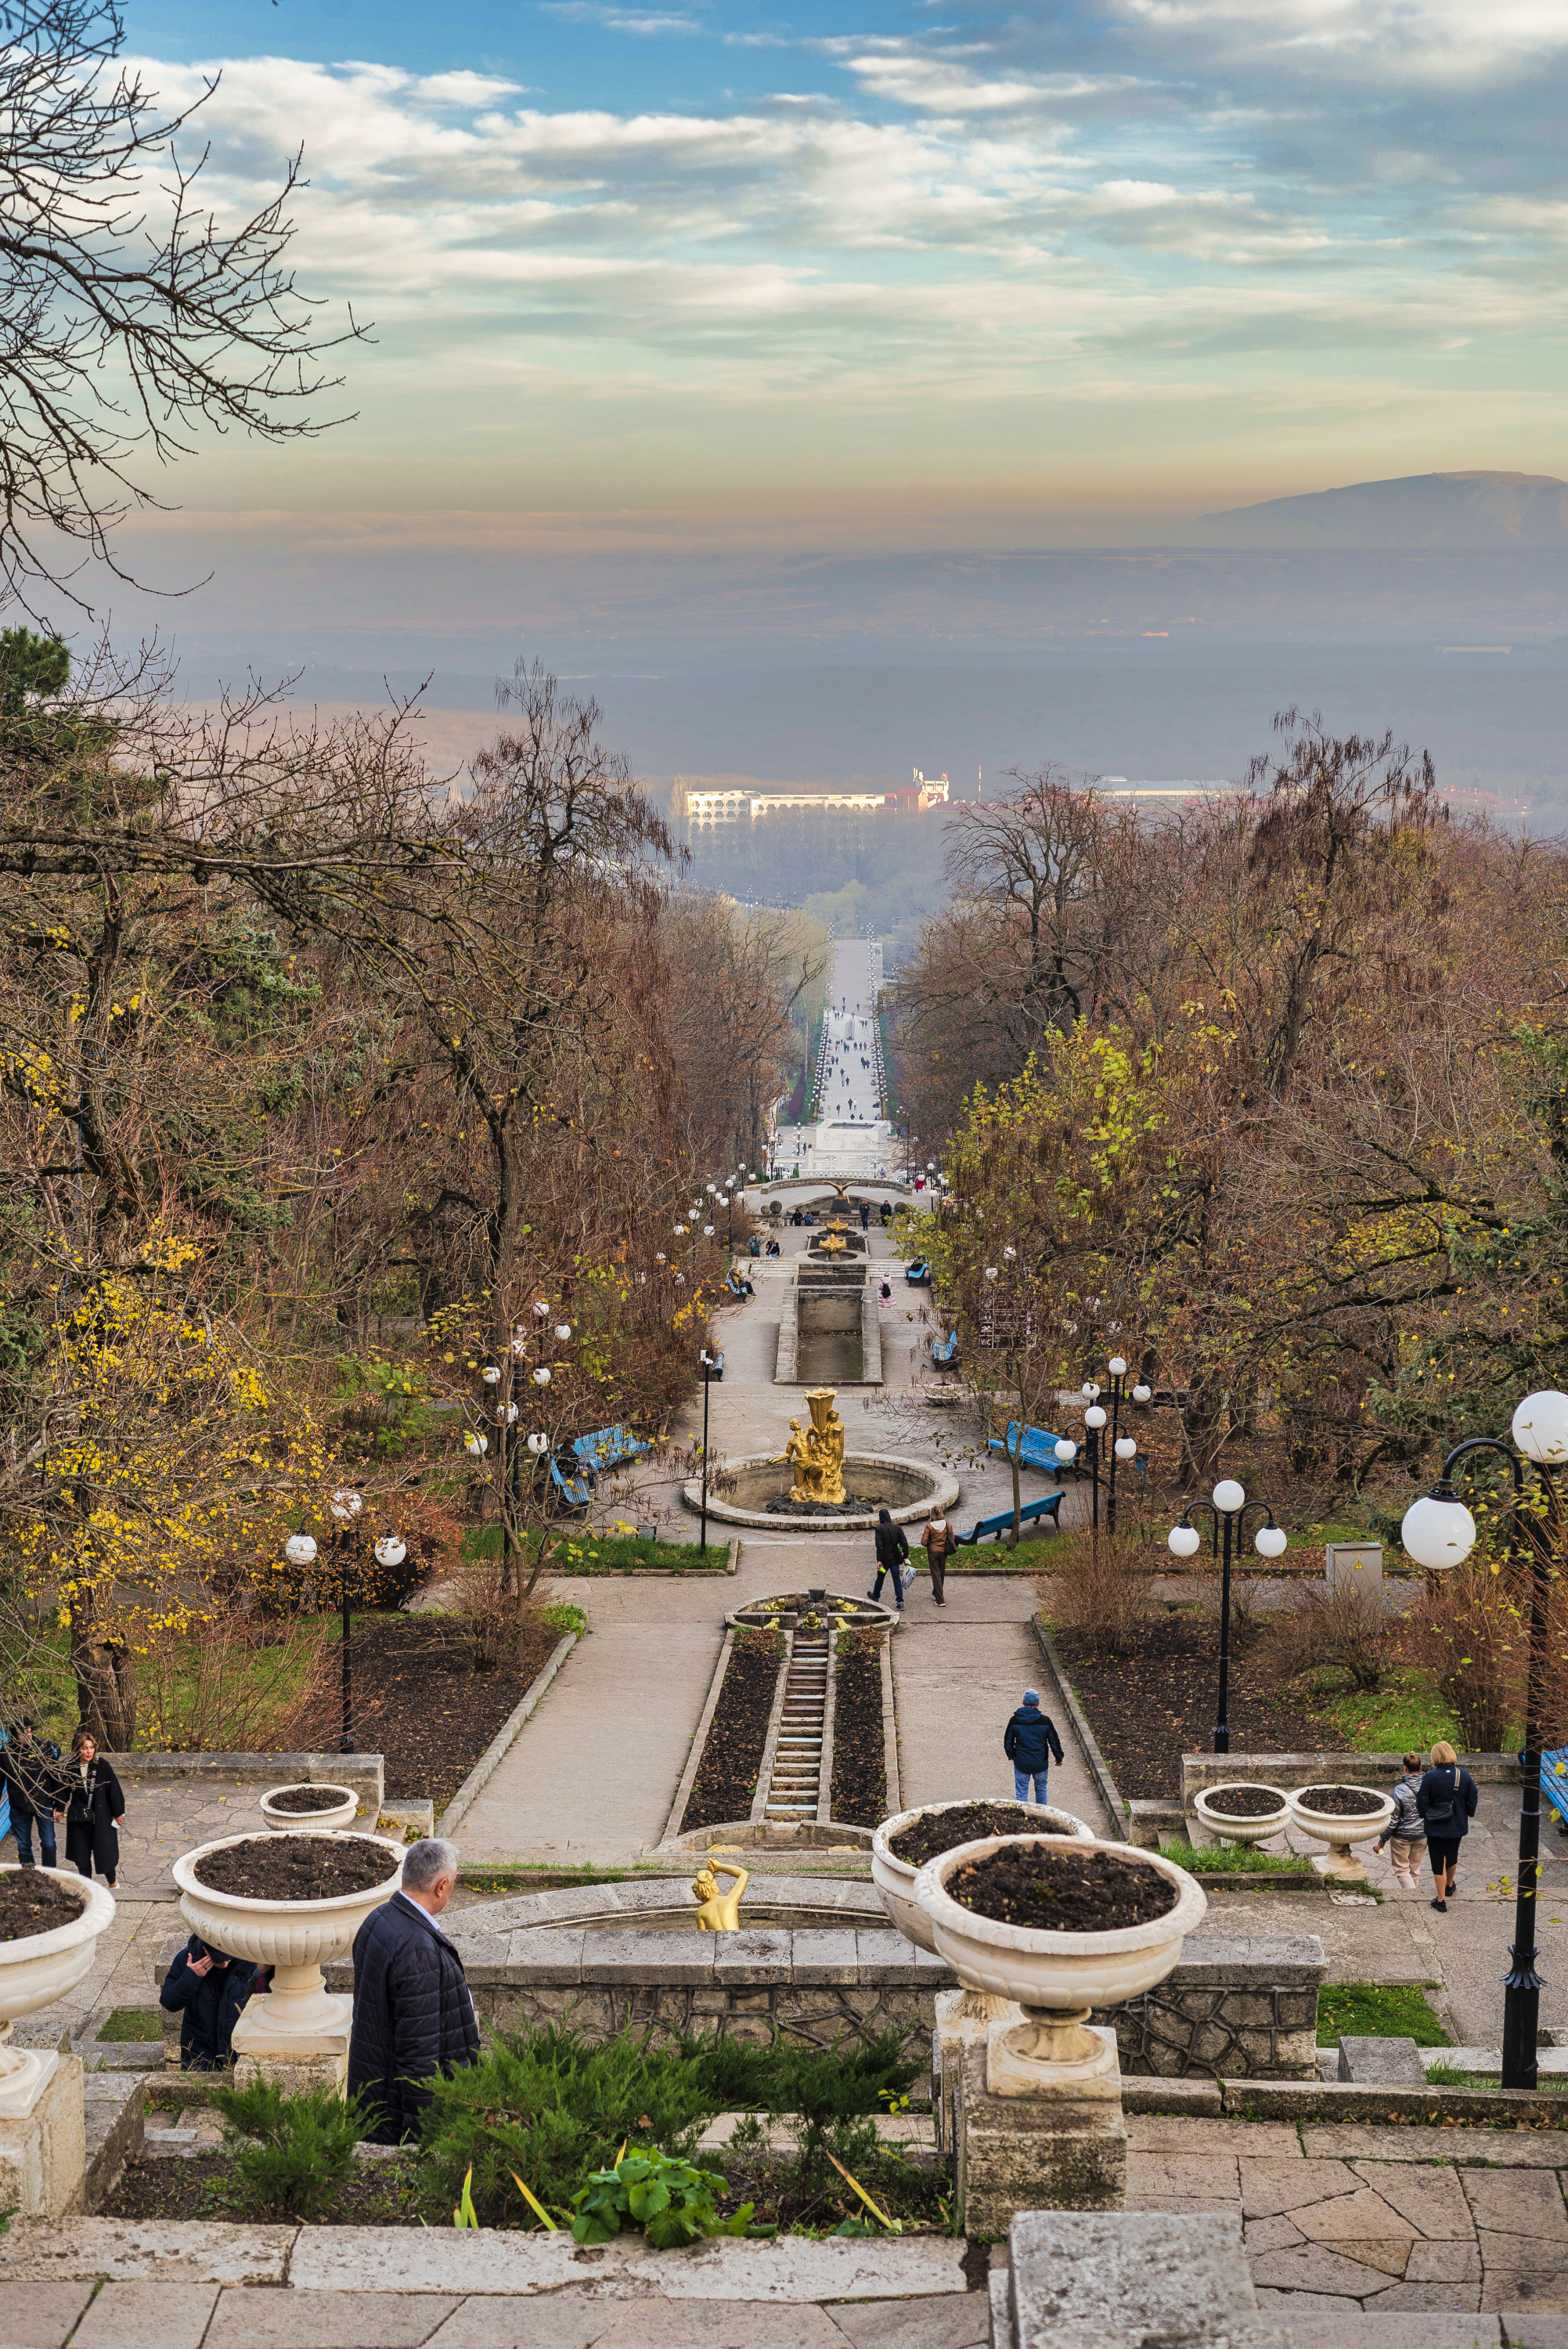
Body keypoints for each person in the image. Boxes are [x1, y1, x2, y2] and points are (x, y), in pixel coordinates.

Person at [348, 1837, 480, 2143]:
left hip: (376, 2098)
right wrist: (422, 2137)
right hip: (397, 2118)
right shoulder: (417, 1951)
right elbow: (419, 2058)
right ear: (441, 1886)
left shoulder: (378, 1919)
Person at [160, 1933, 261, 2071]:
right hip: (199, 2054)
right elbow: (168, 2002)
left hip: (238, 2053)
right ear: (206, 1952)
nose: (225, 1965)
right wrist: (191, 1978)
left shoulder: (251, 1961)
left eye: (228, 1959)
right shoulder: (187, 1957)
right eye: (219, 1961)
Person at [55, 1730, 124, 1890]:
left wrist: (118, 1812)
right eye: (85, 1747)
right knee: (81, 1855)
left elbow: (113, 1790)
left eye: (91, 1747)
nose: (88, 1751)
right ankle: (88, 1888)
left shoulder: (102, 1765)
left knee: (104, 1852)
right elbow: (63, 1791)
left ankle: (113, 1884)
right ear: (78, 1748)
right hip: (79, 1818)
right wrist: (59, 1809)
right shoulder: (70, 1767)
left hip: (101, 1818)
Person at [1417, 1738, 1479, 1913]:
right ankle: (1450, 1885)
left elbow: (1422, 1800)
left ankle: (1441, 1900)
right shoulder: (1463, 1774)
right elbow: (1473, 1797)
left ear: (1435, 1757)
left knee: (1438, 1860)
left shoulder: (1430, 1776)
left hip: (1435, 1825)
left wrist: (1425, 1815)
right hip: (1457, 1823)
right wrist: (1468, 1813)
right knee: (1452, 1855)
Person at [2, 1717, 62, 1868]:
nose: (27, 1735)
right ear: (14, 1735)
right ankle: (30, 1875)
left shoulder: (44, 1748)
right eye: (22, 1732)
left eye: (29, 1731)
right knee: (23, 1846)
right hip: (19, 1806)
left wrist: (60, 1805)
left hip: (44, 1803)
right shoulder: (6, 1753)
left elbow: (56, 1777)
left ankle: (49, 1874)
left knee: (49, 1844)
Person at [1374, 1752, 1426, 1892]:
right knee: (1414, 1869)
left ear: (1405, 1769)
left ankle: (1412, 1899)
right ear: (1421, 1767)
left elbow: (1393, 1819)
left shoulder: (1399, 1790)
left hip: (1402, 1837)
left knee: (1402, 1870)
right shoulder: (1428, 1787)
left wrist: (1382, 1841)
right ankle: (1415, 1896)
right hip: (1422, 1835)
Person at [1004, 1687, 1065, 1805]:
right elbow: (1054, 1741)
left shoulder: (1015, 1720)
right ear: (1038, 1704)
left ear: (1023, 1702)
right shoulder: (1045, 1721)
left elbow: (1008, 1741)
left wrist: (1012, 1756)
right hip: (1040, 1762)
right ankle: (1041, 1817)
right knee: (1041, 1789)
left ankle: (1024, 1817)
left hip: (1021, 1762)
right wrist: (1059, 1757)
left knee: (1021, 1791)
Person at [869, 1507, 910, 1611]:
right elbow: (904, 1543)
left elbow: (880, 1546)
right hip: (895, 1560)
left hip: (884, 1560)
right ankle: (900, 1602)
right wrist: (905, 1556)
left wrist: (879, 1560)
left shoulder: (880, 1528)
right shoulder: (897, 1528)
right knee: (897, 1580)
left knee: (880, 1578)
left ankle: (876, 1596)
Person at [921, 1510, 957, 1606]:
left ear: (932, 1515)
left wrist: (931, 1543)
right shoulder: (948, 1524)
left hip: (933, 1552)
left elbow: (923, 1542)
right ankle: (936, 1593)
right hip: (944, 1552)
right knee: (941, 1573)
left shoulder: (929, 1526)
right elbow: (952, 1538)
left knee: (936, 1574)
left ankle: (940, 1600)